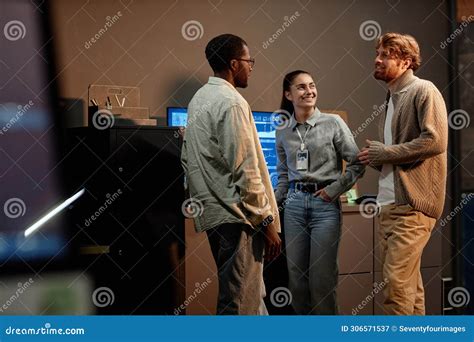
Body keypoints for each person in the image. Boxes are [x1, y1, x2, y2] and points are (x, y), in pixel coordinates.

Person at [180, 34, 282, 315]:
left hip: (217, 214)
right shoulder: (232, 102)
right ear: (235, 63)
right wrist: (267, 221)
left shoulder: (199, 99)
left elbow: (187, 159)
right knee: (240, 303)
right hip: (240, 218)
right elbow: (246, 170)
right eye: (250, 61)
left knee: (250, 296)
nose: (251, 67)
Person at [357, 33, 448, 315]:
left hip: (411, 206)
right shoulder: (393, 97)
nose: (377, 59)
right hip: (389, 205)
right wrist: (375, 158)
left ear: (406, 61)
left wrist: (384, 153)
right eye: (378, 53)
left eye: (386, 55)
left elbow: (435, 141)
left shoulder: (424, 90)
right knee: (409, 287)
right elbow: (400, 154)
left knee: (396, 290)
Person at [275, 70, 364, 314]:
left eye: (312, 85)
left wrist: (333, 191)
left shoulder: (333, 123)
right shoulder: (282, 131)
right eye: (301, 87)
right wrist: (272, 205)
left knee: (322, 279)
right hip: (293, 205)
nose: (309, 91)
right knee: (296, 279)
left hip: (324, 205)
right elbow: (283, 175)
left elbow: (357, 163)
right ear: (288, 94)